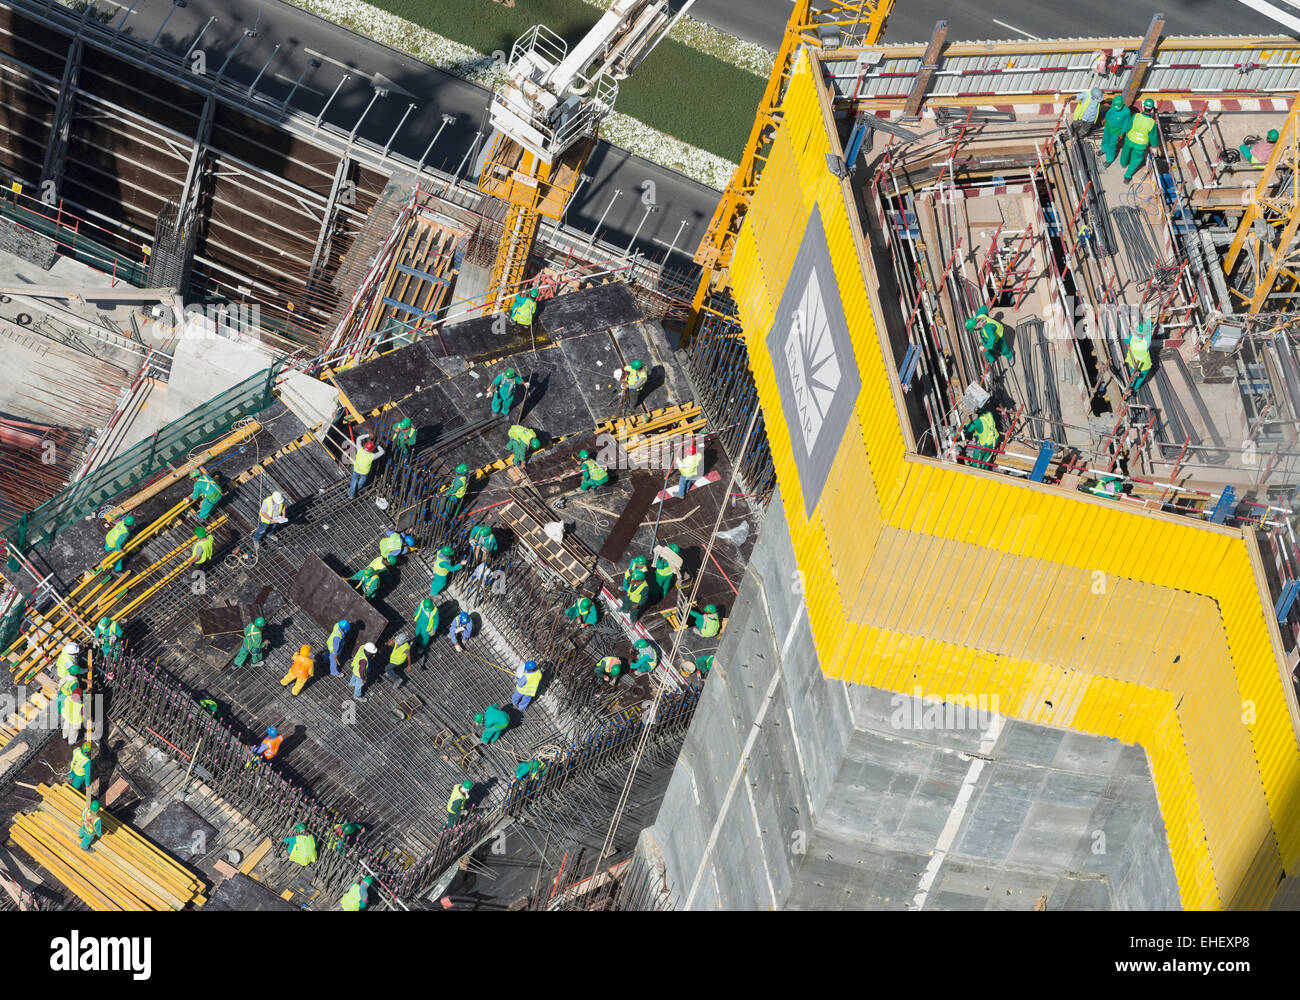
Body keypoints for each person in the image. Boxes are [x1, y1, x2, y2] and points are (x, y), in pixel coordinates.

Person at [1120, 97, 1158, 182]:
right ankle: (1127, 176)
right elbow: (1153, 136)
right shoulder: (1152, 123)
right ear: (1152, 109)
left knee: (1125, 152)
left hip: (1130, 140)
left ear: (1143, 107)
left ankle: (1123, 163)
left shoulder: (1135, 116)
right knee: (1136, 159)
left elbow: (1128, 126)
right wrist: (1155, 146)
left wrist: (1123, 133)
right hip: (1140, 145)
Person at [1101, 95, 1134, 166]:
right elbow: (1109, 112)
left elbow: (1126, 123)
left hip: (1116, 130)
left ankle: (1109, 159)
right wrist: (1105, 119)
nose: (1117, 109)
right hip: (1108, 127)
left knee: (1112, 145)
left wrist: (1122, 133)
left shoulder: (1126, 111)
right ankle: (1104, 149)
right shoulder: (1113, 105)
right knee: (1105, 139)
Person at [349, 433, 385, 499]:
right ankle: (356, 490)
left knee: (354, 481)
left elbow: (358, 439)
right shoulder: (372, 456)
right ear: (372, 449)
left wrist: (368, 435)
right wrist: (376, 445)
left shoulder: (360, 450)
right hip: (364, 472)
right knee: (361, 482)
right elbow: (382, 452)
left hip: (356, 469)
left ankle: (351, 494)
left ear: (365, 446)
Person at [1125, 318, 1155, 392]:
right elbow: (1149, 330)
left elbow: (1125, 340)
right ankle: (1135, 388)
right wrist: (1148, 319)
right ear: (1144, 334)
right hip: (1144, 366)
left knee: (1133, 375)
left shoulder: (1131, 337)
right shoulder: (1146, 342)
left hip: (1133, 363)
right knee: (1140, 378)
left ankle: (1131, 386)